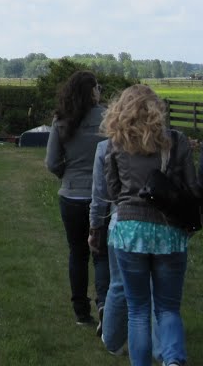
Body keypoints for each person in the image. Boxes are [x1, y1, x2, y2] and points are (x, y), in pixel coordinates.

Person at [103, 84, 198, 366]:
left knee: (138, 310)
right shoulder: (177, 141)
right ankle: (173, 361)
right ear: (157, 108)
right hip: (169, 231)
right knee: (168, 307)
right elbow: (192, 188)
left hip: (130, 231)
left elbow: (112, 189)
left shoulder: (116, 142)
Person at [45, 70, 108, 325]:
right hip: (102, 197)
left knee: (77, 253)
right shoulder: (107, 118)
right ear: (92, 91)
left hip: (71, 194)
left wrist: (66, 174)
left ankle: (81, 312)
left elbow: (51, 162)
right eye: (98, 87)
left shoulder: (61, 120)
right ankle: (104, 303)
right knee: (101, 254)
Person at [89, 137, 161, 359]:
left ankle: (112, 341)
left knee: (119, 284)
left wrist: (94, 227)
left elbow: (102, 193)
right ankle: (161, 349)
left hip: (122, 222)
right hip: (159, 221)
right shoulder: (164, 145)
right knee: (155, 290)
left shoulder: (107, 146)